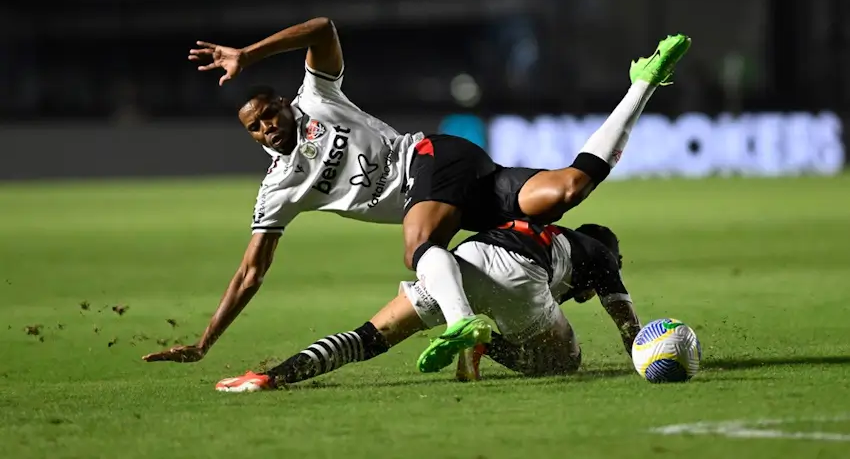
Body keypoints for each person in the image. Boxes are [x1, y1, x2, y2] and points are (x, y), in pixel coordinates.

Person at [141, 16, 689, 370]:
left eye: (270, 113)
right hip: (465, 192)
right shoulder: (277, 190)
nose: (267, 127)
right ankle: (642, 83)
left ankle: (461, 324)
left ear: (285, 103)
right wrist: (204, 341)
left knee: (418, 248)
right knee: (569, 189)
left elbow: (323, 29)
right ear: (251, 137)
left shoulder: (316, 97)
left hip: (430, 159)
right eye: (255, 127)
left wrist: (248, 54)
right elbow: (250, 273)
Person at [215, 220, 639, 392]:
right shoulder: (598, 253)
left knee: (368, 338)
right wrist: (646, 356)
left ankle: (271, 377)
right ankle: (484, 342)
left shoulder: (548, 229)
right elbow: (627, 325)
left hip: (462, 262)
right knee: (563, 363)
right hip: (520, 276)